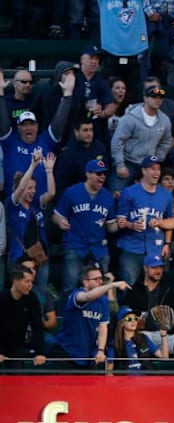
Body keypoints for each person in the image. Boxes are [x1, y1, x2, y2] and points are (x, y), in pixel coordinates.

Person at [0, 71, 73, 199]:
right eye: (24, 125)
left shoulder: (45, 140)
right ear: (18, 127)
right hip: (14, 203)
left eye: (31, 124)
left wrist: (67, 95)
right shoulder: (10, 141)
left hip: (40, 203)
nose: (28, 128)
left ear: (37, 126)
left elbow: (59, 122)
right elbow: (3, 120)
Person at [53, 159, 118, 295]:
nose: (102, 177)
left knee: (102, 287)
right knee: (70, 285)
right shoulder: (72, 192)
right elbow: (56, 215)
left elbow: (112, 227)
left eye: (104, 174)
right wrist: (60, 221)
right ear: (88, 174)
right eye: (98, 174)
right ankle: (67, 314)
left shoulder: (108, 197)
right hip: (75, 244)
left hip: (99, 248)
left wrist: (125, 223)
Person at [52, 265, 131, 369]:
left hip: (87, 355)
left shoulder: (103, 301)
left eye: (101, 279)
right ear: (85, 282)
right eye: (96, 279)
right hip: (67, 352)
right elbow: (87, 296)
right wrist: (112, 285)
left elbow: (103, 327)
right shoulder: (76, 295)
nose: (100, 282)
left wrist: (101, 350)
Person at [6, 152, 56, 312]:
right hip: (19, 257)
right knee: (19, 295)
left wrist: (49, 171)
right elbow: (20, 187)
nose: (33, 191)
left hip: (39, 258)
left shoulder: (35, 205)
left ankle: (37, 326)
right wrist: (33, 165)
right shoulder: (13, 205)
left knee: (39, 293)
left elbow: (51, 194)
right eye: (29, 188)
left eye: (34, 188)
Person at [116, 156, 174, 286]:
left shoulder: (166, 195)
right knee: (128, 285)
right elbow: (120, 221)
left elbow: (170, 221)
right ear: (144, 171)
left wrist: (167, 244)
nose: (156, 173)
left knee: (155, 287)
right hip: (132, 246)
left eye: (158, 169)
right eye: (152, 169)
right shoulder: (129, 192)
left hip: (156, 247)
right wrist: (131, 225)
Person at [110, 86, 173, 195]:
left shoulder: (164, 120)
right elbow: (118, 141)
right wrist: (120, 164)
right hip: (127, 162)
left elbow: (166, 141)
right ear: (145, 98)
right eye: (154, 97)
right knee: (118, 195)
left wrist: (157, 158)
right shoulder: (131, 117)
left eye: (160, 98)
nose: (158, 100)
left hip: (148, 165)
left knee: (147, 198)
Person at [121, 255, 174, 352]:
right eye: (154, 268)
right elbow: (125, 313)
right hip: (142, 334)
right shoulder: (134, 291)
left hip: (165, 334)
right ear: (145, 268)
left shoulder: (170, 288)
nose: (158, 271)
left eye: (160, 267)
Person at [0, 266, 46, 369]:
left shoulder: (32, 298)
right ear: (16, 281)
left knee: (17, 377)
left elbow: (37, 326)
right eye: (27, 281)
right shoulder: (2, 298)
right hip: (1, 345)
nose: (30, 285)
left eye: (32, 282)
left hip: (18, 347)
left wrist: (40, 352)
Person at [105, 306, 170, 374]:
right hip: (125, 382)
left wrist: (163, 335)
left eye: (135, 318)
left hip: (146, 380)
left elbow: (164, 357)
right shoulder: (114, 344)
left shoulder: (144, 338)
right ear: (121, 323)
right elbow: (109, 371)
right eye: (129, 319)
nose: (133, 321)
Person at [54, 119, 108, 198]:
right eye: (85, 130)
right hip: (75, 196)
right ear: (76, 132)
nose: (89, 134)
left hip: (98, 194)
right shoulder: (67, 154)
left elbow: (105, 173)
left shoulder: (100, 147)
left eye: (91, 130)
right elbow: (62, 183)